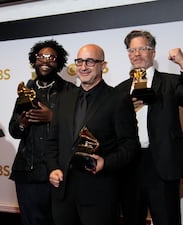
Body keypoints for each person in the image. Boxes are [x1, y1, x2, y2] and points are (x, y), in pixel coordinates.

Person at [116, 30, 183, 225]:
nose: (137, 54)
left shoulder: (171, 82)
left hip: (162, 164)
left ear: (153, 53)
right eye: (132, 50)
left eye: (143, 48)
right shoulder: (120, 90)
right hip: (129, 164)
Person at [44, 43, 139, 225]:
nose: (83, 67)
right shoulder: (64, 98)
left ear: (103, 65)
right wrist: (53, 168)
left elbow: (129, 145)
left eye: (90, 61)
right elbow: (52, 141)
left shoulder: (118, 99)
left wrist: (106, 162)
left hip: (99, 193)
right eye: (79, 61)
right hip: (62, 192)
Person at [8, 39, 75, 225]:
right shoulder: (26, 91)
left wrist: (53, 117)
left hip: (57, 171)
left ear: (59, 62)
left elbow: (79, 127)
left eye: (51, 57)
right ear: (34, 60)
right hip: (27, 172)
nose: (45, 61)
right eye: (40, 57)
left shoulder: (70, 91)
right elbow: (14, 130)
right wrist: (22, 123)